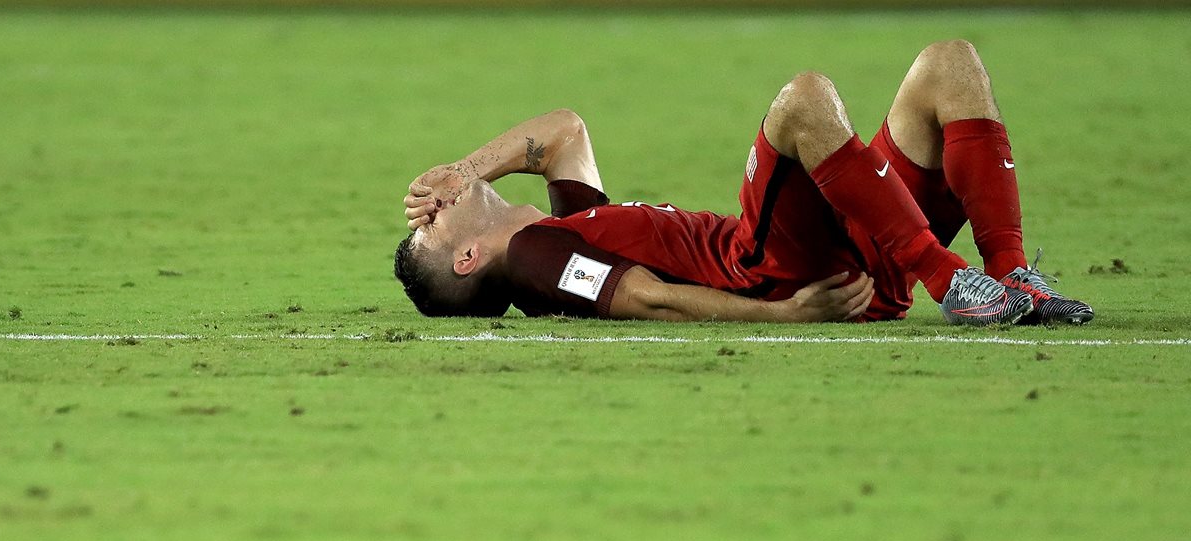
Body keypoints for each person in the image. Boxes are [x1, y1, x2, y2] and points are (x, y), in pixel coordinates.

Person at [395, 40, 1093, 326]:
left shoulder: (565, 228)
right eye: (427, 223)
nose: (429, 208)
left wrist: (464, 169)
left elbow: (565, 131)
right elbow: (647, 299)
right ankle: (949, 282)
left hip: (847, 243)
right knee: (801, 102)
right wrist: (779, 316)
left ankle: (1013, 279)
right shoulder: (536, 261)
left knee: (949, 64)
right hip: (776, 271)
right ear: (465, 258)